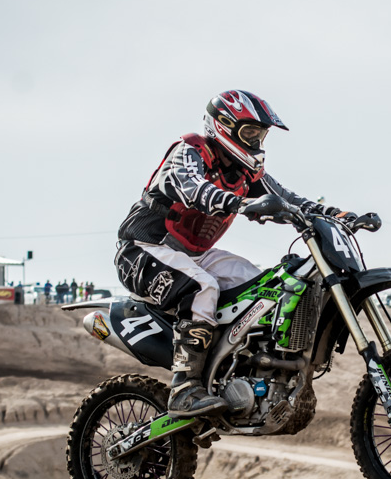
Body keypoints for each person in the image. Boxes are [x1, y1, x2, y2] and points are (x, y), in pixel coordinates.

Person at [114, 90, 355, 419]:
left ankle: (239, 371)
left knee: (262, 287)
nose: (256, 141)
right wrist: (243, 203)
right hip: (143, 250)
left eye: (261, 134)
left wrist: (334, 214)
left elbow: (286, 198)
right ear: (224, 126)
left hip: (194, 255)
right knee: (203, 288)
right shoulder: (191, 149)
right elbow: (191, 187)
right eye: (250, 132)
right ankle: (184, 389)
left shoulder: (245, 171)